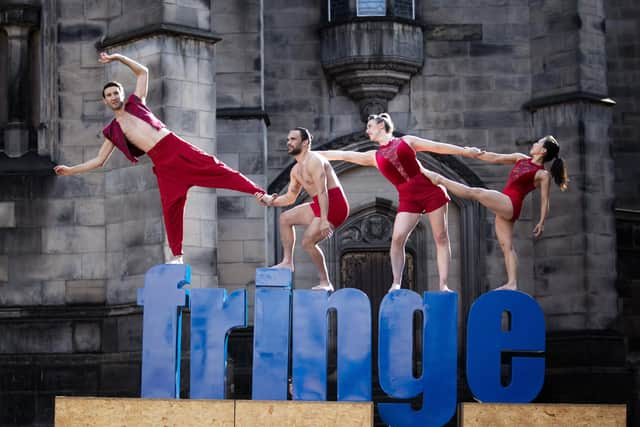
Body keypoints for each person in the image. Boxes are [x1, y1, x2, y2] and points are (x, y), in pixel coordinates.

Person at [53, 52, 269, 264]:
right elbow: (99, 160)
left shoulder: (136, 103)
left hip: (176, 149)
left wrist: (118, 58)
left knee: (218, 169)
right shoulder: (112, 130)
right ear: (105, 101)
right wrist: (70, 170)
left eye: (116, 92)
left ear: (121, 93)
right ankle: (177, 255)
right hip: (164, 166)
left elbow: (143, 72)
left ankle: (260, 193)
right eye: (109, 95)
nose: (113, 97)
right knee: (171, 208)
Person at [318, 113, 481, 292]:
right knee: (397, 239)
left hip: (431, 191)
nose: (367, 131)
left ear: (381, 125)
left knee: (441, 237)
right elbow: (344, 155)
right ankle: (396, 282)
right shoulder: (374, 156)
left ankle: (443, 284)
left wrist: (465, 151)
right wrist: (310, 154)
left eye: (370, 126)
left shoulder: (407, 141)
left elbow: (437, 147)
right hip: (408, 199)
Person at [422, 135, 568, 290]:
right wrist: (476, 153)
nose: (534, 143)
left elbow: (545, 200)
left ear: (543, 150)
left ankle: (439, 179)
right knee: (507, 246)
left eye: (538, 143)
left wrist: (542, 222)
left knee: (476, 192)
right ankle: (512, 283)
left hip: (511, 203)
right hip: (505, 204)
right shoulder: (520, 158)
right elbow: (496, 158)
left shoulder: (542, 174)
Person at [258, 127, 349, 292]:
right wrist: (271, 201)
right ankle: (287, 262)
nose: (288, 143)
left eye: (293, 139)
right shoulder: (295, 170)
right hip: (319, 203)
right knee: (285, 218)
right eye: (288, 140)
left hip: (334, 204)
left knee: (307, 242)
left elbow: (323, 191)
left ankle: (325, 282)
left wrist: (323, 220)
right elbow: (290, 198)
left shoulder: (315, 160)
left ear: (305, 142)